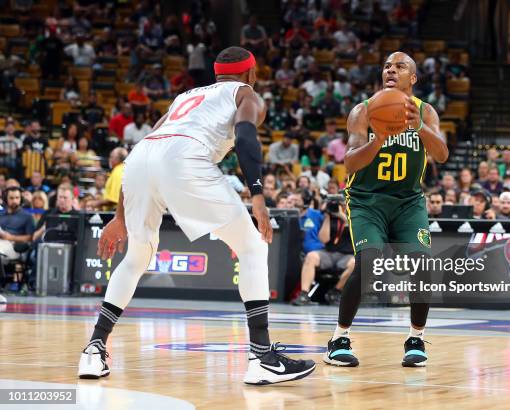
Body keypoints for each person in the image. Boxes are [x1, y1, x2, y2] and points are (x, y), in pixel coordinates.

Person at [78, 47, 315, 384]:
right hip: (184, 157)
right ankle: (262, 357)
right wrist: (258, 195)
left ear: (217, 74)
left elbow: (146, 147)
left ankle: (93, 350)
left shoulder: (184, 97)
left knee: (136, 257)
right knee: (252, 247)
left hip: (140, 161)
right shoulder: (245, 93)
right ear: (252, 73)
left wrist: (120, 216)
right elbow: (247, 137)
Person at [324, 52, 448, 368]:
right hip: (367, 200)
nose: (391, 69)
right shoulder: (363, 111)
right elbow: (350, 163)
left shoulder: (426, 112)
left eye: (400, 66)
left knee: (423, 266)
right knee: (369, 262)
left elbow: (442, 154)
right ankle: (339, 338)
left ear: (414, 78)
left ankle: (416, 339)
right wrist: (378, 140)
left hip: (407, 201)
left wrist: (419, 126)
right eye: (387, 66)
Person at [291, 200, 355, 306]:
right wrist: (328, 217)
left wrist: (341, 215)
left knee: (356, 264)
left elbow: (355, 231)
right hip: (328, 253)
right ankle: (304, 294)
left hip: (347, 255)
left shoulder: (354, 214)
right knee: (311, 256)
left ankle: (336, 291)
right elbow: (323, 239)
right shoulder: (330, 217)